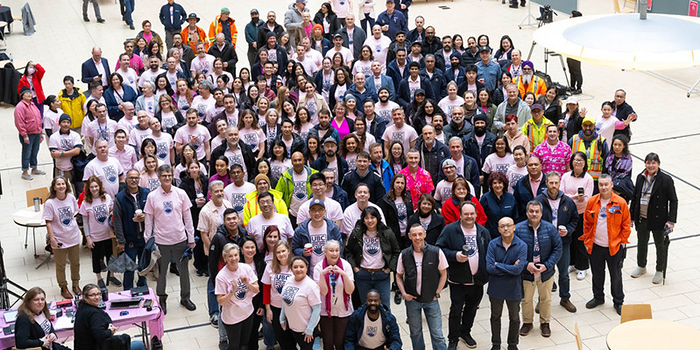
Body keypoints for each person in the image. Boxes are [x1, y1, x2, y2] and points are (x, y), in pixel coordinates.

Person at [435, 201, 490, 349]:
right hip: (458, 280)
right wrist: (454, 255)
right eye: (466, 214)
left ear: (476, 214)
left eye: (472, 214)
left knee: (472, 309)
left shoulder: (483, 231)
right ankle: (453, 338)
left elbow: (489, 253)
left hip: (477, 280)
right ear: (460, 215)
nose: (469, 216)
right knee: (456, 310)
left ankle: (465, 332)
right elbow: (439, 250)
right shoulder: (450, 230)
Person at [144, 165, 197, 313]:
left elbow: (188, 218)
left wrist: (191, 238)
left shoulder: (181, 193)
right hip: (161, 241)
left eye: (169, 175)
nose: (167, 178)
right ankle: (162, 298)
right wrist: (148, 239)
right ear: (159, 177)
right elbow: (149, 220)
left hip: (180, 239)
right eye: (164, 175)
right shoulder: (152, 196)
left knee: (184, 271)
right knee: (161, 273)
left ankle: (185, 297)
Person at [580, 174, 630, 315]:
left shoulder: (620, 203)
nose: (603, 187)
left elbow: (626, 224)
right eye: (601, 185)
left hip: (614, 247)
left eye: (606, 184)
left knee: (616, 275)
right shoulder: (591, 202)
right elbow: (586, 222)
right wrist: (586, 240)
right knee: (597, 274)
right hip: (595, 246)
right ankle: (598, 297)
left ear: (611, 185)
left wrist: (621, 241)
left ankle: (618, 301)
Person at [396, 224, 449, 350]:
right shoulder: (404, 254)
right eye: (414, 235)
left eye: (420, 234)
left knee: (437, 334)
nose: (417, 237)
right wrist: (403, 293)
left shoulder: (436, 252)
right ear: (409, 236)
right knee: (416, 333)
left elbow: (443, 274)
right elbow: (398, 276)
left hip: (432, 300)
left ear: (424, 234)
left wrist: (437, 292)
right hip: (412, 301)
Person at [514, 200, 562, 338]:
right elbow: (514, 251)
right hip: (526, 272)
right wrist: (526, 264)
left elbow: (558, 248)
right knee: (526, 299)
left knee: (546, 299)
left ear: (541, 213)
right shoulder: (518, 229)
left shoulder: (550, 228)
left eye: (537, 211)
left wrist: (547, 265)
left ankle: (545, 323)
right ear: (526, 212)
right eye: (531, 211)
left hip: (545, 271)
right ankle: (527, 322)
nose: (534, 214)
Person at [534, 172, 579, 313]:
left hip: (563, 243)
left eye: (556, 183)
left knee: (564, 273)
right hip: (545, 244)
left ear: (560, 184)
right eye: (551, 183)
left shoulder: (568, 201)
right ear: (546, 183)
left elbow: (574, 220)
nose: (553, 186)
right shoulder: (538, 201)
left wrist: (568, 230)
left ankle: (565, 298)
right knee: (544, 273)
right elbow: (532, 220)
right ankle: (542, 300)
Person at [630, 153, 678, 284]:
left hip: (659, 219)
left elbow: (673, 200)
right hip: (642, 217)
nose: (650, 165)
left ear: (658, 164)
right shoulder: (640, 177)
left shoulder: (666, 179)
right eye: (648, 163)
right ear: (645, 163)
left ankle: (659, 270)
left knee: (660, 246)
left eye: (653, 163)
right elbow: (635, 198)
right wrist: (631, 216)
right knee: (641, 242)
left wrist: (671, 221)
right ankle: (641, 266)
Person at [345, 206, 400, 308]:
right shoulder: (356, 233)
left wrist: (389, 269)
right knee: (365, 306)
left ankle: (384, 325)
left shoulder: (387, 232)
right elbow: (348, 251)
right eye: (366, 218)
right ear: (363, 220)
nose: (370, 220)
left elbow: (396, 251)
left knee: (385, 307)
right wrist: (355, 268)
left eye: (372, 217)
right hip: (363, 275)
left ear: (377, 218)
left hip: (382, 274)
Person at [485, 217, 527, 350]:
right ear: (498, 229)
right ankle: (496, 344)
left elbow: (518, 270)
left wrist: (499, 265)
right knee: (495, 316)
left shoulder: (522, 245)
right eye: (502, 226)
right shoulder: (492, 244)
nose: (506, 228)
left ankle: (512, 344)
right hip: (496, 287)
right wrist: (510, 268)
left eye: (508, 225)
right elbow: (490, 267)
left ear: (514, 227)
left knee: (514, 317)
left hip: (514, 288)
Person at [73, 284, 146, 350]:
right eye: (92, 295)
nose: (97, 297)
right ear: (85, 297)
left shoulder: (82, 307)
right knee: (139, 345)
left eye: (98, 294)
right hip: (96, 347)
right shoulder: (94, 314)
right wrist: (110, 331)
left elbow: (105, 316)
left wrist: (109, 323)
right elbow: (100, 335)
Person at [42, 176, 81, 299]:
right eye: (58, 184)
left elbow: (75, 212)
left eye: (63, 184)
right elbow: (48, 222)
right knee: (61, 265)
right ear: (54, 187)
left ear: (66, 185)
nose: (61, 186)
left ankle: (76, 284)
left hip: (73, 236)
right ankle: (63, 286)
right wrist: (52, 239)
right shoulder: (50, 203)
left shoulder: (71, 197)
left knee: (75, 263)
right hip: (59, 239)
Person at [215, 243, 259, 350]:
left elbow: (256, 289)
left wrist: (247, 283)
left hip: (248, 313)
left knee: (245, 343)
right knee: (234, 345)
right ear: (225, 258)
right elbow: (220, 301)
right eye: (230, 256)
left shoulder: (246, 268)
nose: (234, 258)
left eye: (235, 255)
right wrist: (231, 292)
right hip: (232, 318)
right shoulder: (221, 276)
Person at [313, 239, 355, 350]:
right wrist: (322, 275)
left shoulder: (346, 266)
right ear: (325, 252)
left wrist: (343, 274)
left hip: (343, 310)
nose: (335, 253)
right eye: (331, 250)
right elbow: (323, 292)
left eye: (337, 250)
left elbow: (350, 291)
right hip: (325, 310)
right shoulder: (318, 267)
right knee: (328, 342)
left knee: (340, 342)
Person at [80, 176, 121, 288]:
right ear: (88, 188)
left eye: (96, 186)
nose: (94, 189)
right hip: (95, 236)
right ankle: (99, 278)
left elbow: (112, 211)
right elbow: (85, 222)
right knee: (96, 258)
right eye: (91, 187)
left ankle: (111, 275)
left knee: (111, 256)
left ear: (100, 186)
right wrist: (88, 237)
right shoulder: (85, 203)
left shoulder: (107, 197)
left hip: (108, 234)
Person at [112, 169, 149, 291]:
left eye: (136, 178)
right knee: (129, 268)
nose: (134, 180)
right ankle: (128, 291)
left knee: (144, 266)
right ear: (126, 179)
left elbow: (153, 214)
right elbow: (117, 221)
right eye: (131, 178)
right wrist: (121, 240)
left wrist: (146, 216)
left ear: (139, 179)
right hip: (130, 240)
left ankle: (142, 288)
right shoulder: (120, 197)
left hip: (145, 238)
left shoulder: (147, 194)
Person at [279, 256, 322, 350]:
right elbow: (285, 300)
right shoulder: (289, 280)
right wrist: (282, 318)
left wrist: (309, 329)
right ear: (291, 269)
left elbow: (317, 309)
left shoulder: (311, 286)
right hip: (292, 326)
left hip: (305, 331)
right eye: (295, 267)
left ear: (306, 268)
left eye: (301, 267)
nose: (298, 270)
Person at [262, 240, 295, 349]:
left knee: (293, 335)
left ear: (288, 251)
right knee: (281, 336)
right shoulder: (270, 266)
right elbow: (266, 288)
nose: (281, 254)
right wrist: (268, 308)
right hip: (276, 307)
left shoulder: (295, 265)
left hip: (293, 307)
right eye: (278, 252)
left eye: (283, 251)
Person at [568, 116, 609, 189]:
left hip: (595, 180)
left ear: (594, 126)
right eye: (585, 125)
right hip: (577, 177)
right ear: (581, 126)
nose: (587, 128)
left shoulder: (601, 141)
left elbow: (607, 160)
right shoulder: (574, 139)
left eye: (590, 125)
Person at [15, 87, 45, 181]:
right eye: (26, 93)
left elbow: (38, 119)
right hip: (28, 134)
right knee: (26, 153)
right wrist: (24, 135)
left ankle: (34, 167)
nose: (29, 95)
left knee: (35, 151)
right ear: (22, 95)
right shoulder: (20, 107)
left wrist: (40, 132)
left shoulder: (32, 104)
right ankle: (24, 171)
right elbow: (19, 122)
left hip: (36, 133)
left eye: (30, 93)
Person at [378, 173, 414, 247]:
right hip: (394, 235)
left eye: (402, 183)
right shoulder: (386, 200)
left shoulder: (408, 197)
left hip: (407, 234)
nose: (400, 185)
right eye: (397, 182)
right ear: (393, 183)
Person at [480, 172, 518, 238]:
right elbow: (481, 217)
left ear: (504, 184)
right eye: (494, 183)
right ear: (491, 185)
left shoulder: (511, 197)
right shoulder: (485, 198)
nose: (497, 185)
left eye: (500, 183)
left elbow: (516, 217)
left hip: (508, 235)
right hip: (491, 235)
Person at [49, 114, 82, 186]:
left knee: (76, 190)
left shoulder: (75, 135)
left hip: (74, 168)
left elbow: (77, 151)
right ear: (59, 123)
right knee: (60, 190)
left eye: (68, 122)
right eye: (64, 122)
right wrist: (71, 152)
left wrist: (61, 154)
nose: (66, 124)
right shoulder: (53, 137)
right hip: (60, 168)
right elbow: (54, 154)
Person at [513, 155, 546, 221]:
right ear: (527, 167)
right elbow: (516, 203)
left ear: (540, 166)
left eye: (536, 164)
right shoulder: (521, 183)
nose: (533, 167)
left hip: (544, 220)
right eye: (530, 165)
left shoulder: (548, 182)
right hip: (524, 220)